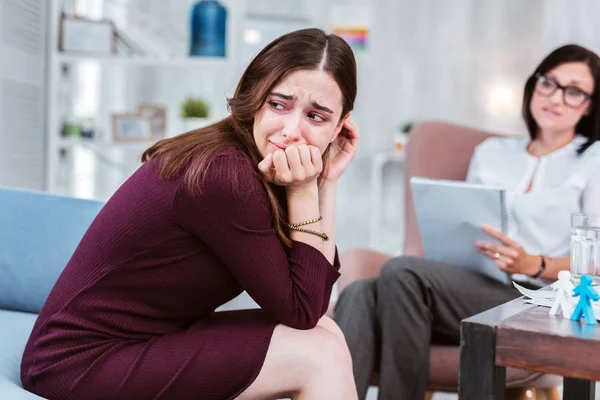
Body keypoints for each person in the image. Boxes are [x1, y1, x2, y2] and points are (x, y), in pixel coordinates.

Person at [21, 28, 360, 400]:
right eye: (278, 105)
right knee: (318, 354)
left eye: (316, 116)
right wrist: (305, 188)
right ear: (254, 95)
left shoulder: (255, 162)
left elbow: (313, 297)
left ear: (339, 127)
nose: (291, 130)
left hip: (143, 339)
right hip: (74, 363)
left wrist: (326, 182)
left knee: (328, 334)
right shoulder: (225, 175)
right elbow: (302, 308)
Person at [334, 43, 600, 400]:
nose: (556, 97)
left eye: (574, 92)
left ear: (590, 105)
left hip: (534, 298)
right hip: (472, 282)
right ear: (533, 86)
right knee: (359, 293)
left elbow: (594, 261)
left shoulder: (592, 160)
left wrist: (534, 263)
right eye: (548, 83)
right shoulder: (491, 152)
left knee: (401, 272)